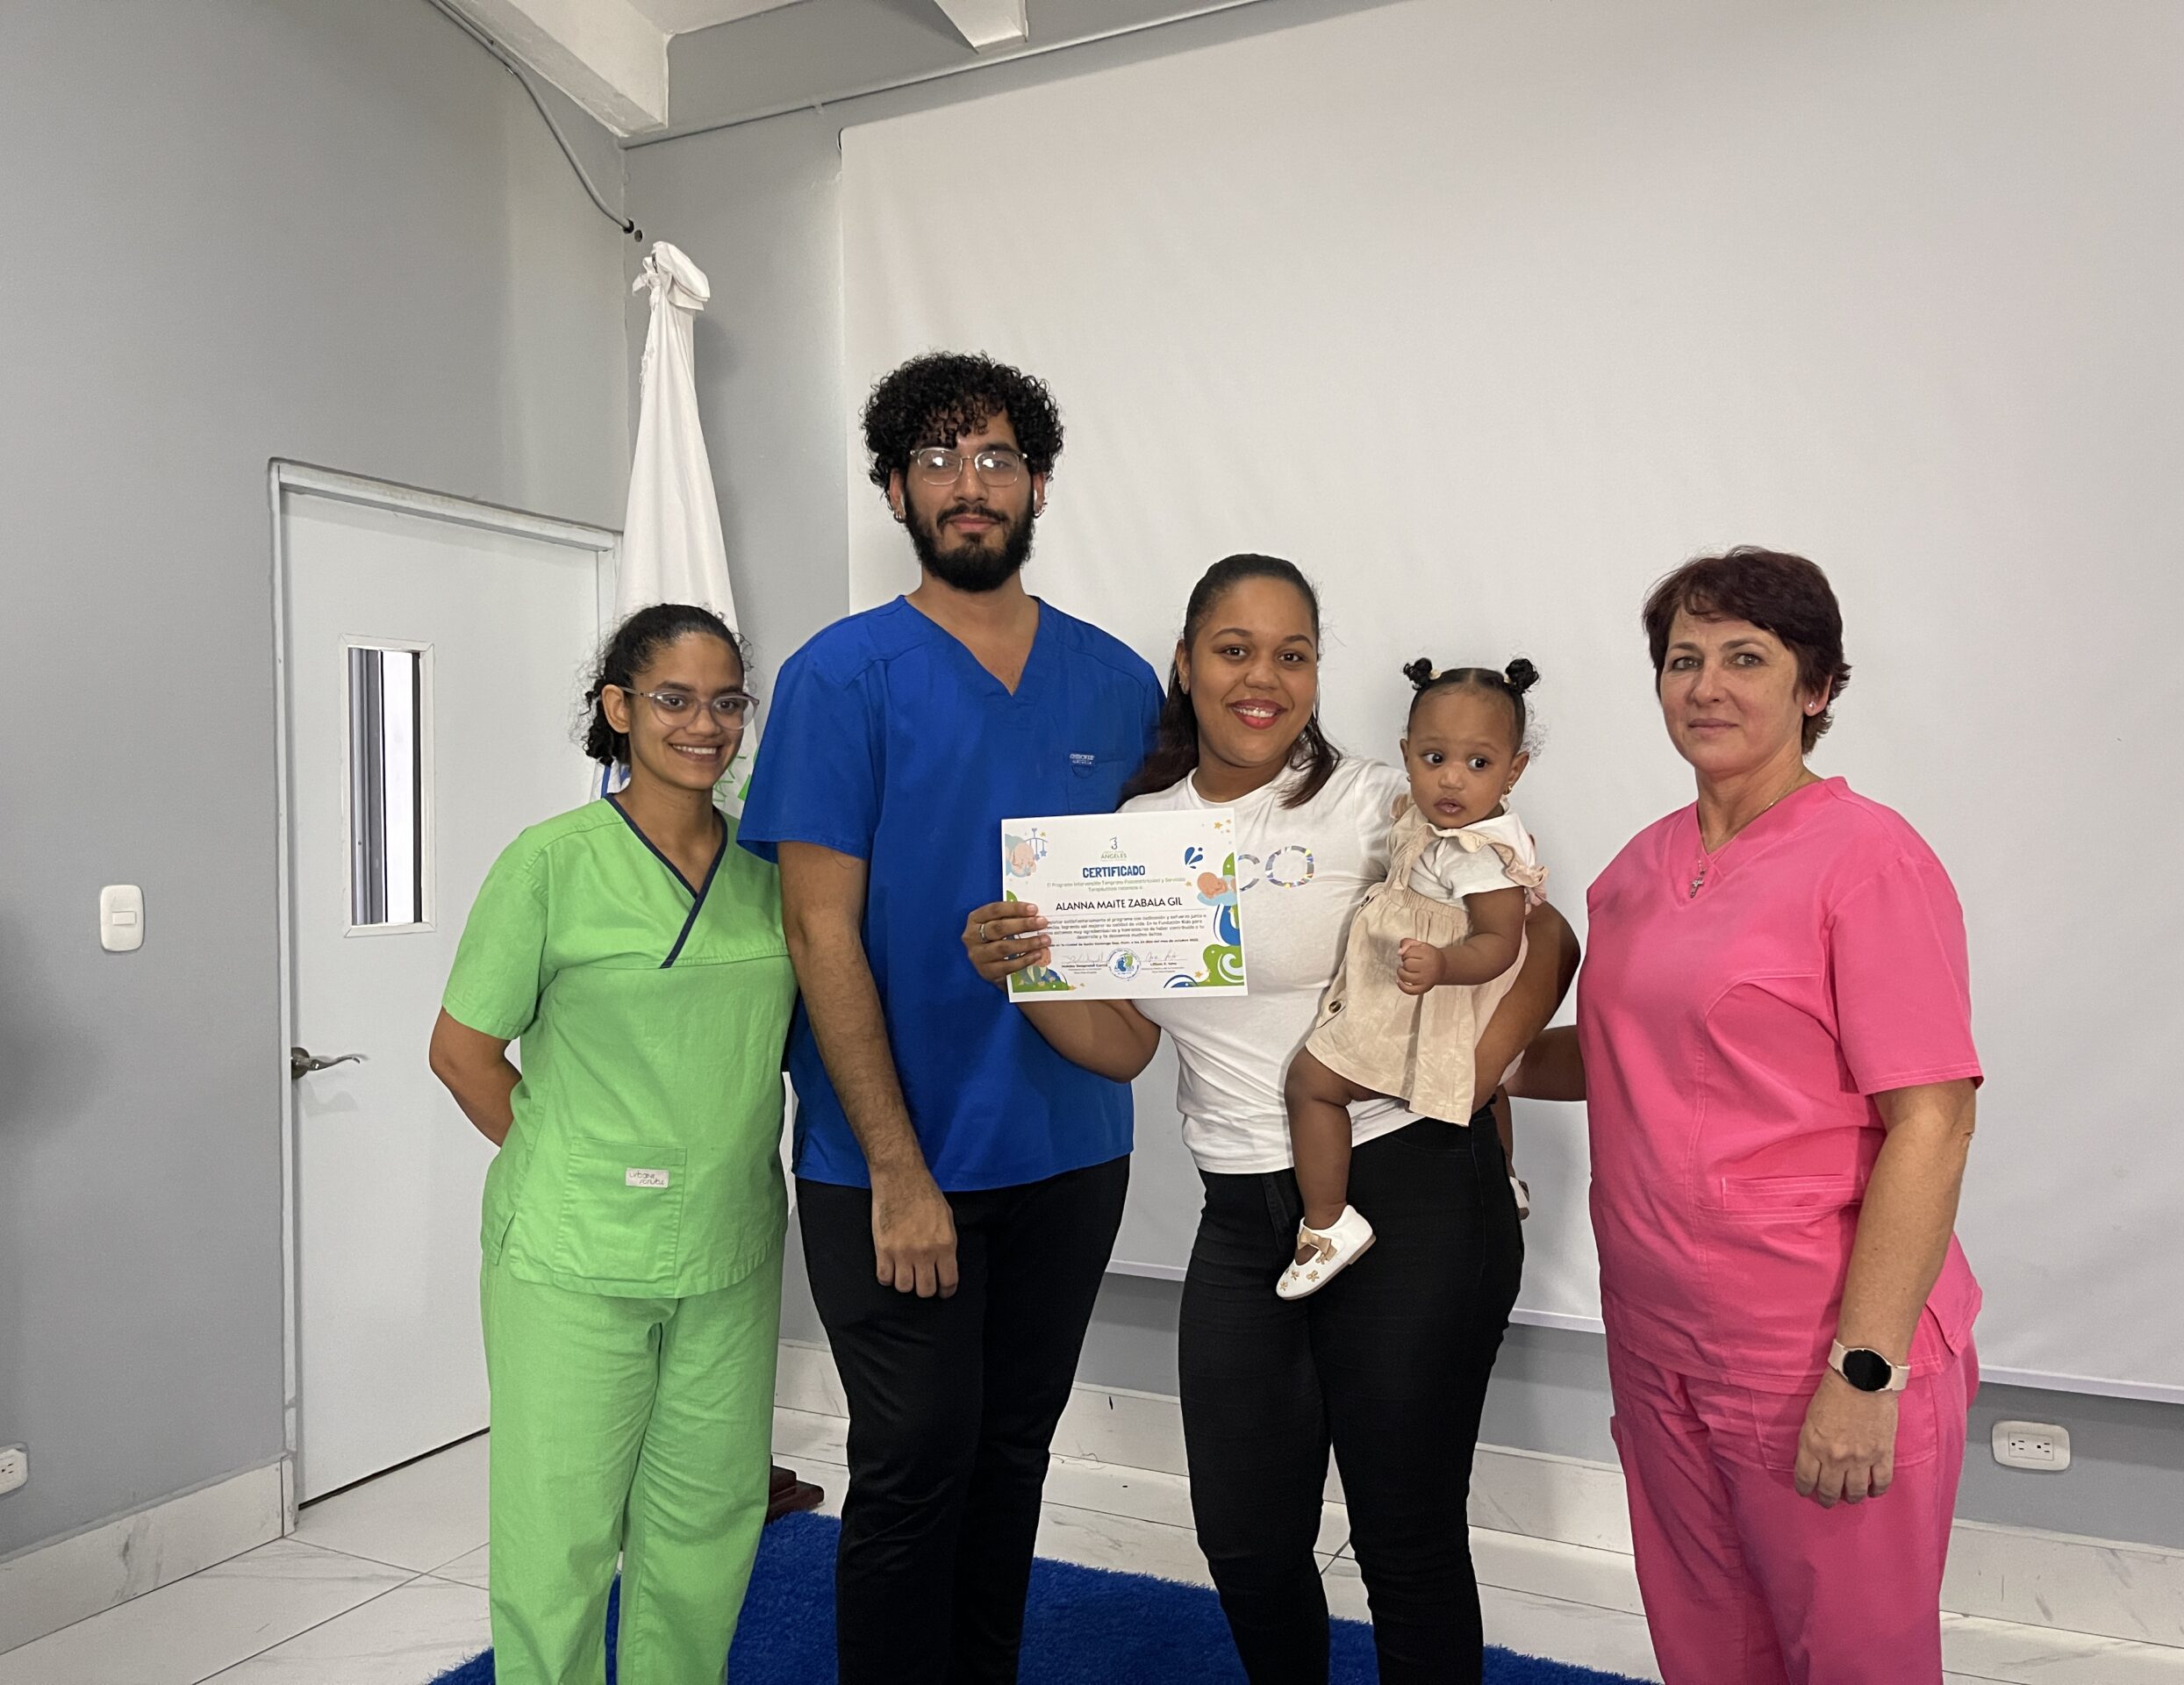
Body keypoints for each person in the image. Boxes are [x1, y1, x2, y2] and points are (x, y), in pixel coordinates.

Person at [963, 554, 1579, 1683]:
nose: (1263, 678)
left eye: (1291, 654)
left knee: (1404, 1539)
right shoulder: (1134, 833)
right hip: (1243, 1215)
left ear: (1316, 673)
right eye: (1234, 650)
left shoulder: (1386, 806)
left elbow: (1545, 939)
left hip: (1411, 1192)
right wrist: (1028, 976)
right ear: (1186, 663)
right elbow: (1127, 1046)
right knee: (1245, 1543)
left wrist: (1470, 1072)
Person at [738, 353, 1163, 1684]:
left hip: (1071, 1149)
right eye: (935, 460)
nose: (966, 484)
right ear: (894, 491)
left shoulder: (1117, 684)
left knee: (1011, 1456)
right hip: (892, 1162)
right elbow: (818, 931)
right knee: (914, 1464)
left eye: (993, 459)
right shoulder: (841, 677)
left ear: (1037, 484)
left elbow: (1159, 908)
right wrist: (897, 1168)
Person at [1508, 547, 1982, 1685]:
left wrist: (1864, 1372)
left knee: (1855, 1661)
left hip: (1812, 1339)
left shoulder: (1869, 862)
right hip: (1657, 1336)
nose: (1706, 686)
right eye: (1683, 660)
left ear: (1815, 688)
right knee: (1705, 1646)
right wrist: (1448, 1061)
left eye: (1745, 659)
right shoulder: (1636, 872)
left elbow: (1933, 1122)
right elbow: (1624, 1058)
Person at [428, 604, 794, 1685]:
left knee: (708, 1519)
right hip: (573, 1251)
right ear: (619, 708)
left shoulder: (767, 869)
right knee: (560, 1532)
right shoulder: (550, 864)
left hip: (728, 1243)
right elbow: (461, 1053)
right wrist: (570, 1164)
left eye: (726, 702)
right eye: (674, 699)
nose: (705, 725)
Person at [1278, 656, 1549, 1297]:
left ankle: (1327, 1224)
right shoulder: (1434, 824)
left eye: (1478, 763)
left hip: (1430, 990)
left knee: (1312, 1083)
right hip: (1432, 985)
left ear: (1514, 771)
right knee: (1489, 1086)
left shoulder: (1480, 855)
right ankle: (1504, 1175)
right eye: (1434, 758)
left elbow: (1503, 943)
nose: (1452, 779)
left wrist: (1444, 964)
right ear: (1406, 754)